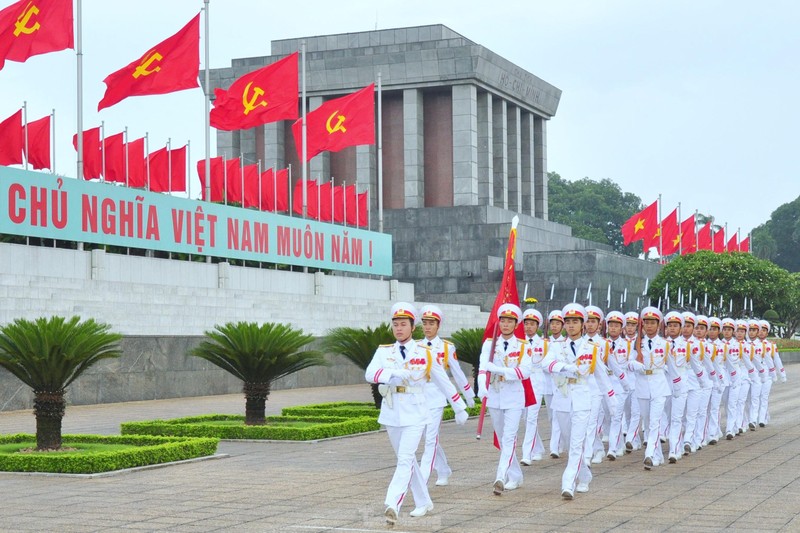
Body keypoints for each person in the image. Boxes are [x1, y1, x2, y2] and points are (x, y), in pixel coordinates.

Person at [365, 302, 469, 525]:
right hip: (392, 412)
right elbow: (370, 374)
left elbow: (444, 382)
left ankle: (392, 503)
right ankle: (424, 502)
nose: (399, 328)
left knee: (404, 459)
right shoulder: (384, 351)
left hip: (415, 413)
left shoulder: (426, 353)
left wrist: (459, 406)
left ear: (413, 327)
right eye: (395, 324)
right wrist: (395, 372)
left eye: (403, 324)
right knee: (408, 459)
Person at [543, 303, 617, 499]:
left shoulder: (591, 348)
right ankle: (584, 475)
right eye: (568, 322)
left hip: (583, 400)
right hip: (563, 399)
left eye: (575, 322)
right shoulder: (557, 346)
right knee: (568, 442)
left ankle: (568, 483)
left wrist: (613, 403)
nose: (571, 326)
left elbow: (602, 376)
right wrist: (565, 367)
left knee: (577, 444)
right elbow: (546, 364)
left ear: (583, 324)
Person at [477, 303, 533, 495]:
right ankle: (516, 475)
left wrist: (499, 370)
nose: (506, 324)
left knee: (509, 438)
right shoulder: (489, 344)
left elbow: (524, 372)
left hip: (514, 397)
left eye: (510, 321)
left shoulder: (524, 346)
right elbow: (483, 366)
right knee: (502, 439)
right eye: (503, 320)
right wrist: (481, 386)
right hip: (494, 395)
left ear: (516, 323)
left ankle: (500, 476)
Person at [417, 304, 475, 487]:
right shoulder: (416, 346)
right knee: (429, 438)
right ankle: (443, 469)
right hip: (419, 397)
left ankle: (422, 479)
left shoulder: (446, 347)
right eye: (425, 323)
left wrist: (468, 396)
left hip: (437, 396)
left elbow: (457, 373)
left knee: (430, 439)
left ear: (438, 325)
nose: (427, 327)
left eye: (431, 323)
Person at [627, 306, 670, 470]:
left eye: (653, 323)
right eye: (647, 323)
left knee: (655, 422)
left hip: (659, 385)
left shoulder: (665, 344)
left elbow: (671, 367)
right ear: (643, 325)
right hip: (642, 385)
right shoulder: (637, 344)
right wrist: (635, 365)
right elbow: (628, 363)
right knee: (647, 421)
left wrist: (678, 386)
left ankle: (649, 453)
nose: (650, 326)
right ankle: (657, 456)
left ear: (658, 325)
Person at [603, 311, 635, 460]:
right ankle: (620, 444)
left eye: (616, 326)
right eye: (611, 325)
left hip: (621, 384)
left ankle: (612, 449)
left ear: (621, 328)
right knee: (608, 417)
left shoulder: (628, 345)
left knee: (616, 416)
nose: (613, 328)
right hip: (606, 383)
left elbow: (629, 364)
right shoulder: (602, 344)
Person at [520, 308, 547, 465]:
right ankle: (538, 448)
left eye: (532, 324)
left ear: (538, 326)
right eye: (526, 324)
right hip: (522, 384)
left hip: (536, 384)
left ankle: (526, 453)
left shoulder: (544, 344)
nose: (528, 327)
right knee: (526, 418)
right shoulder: (519, 342)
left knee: (531, 418)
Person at [547, 310, 566, 458]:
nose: (554, 326)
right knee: (552, 416)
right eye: (552, 323)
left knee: (558, 416)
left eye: (557, 323)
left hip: (562, 384)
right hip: (546, 384)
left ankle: (555, 446)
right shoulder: (545, 342)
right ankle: (557, 444)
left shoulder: (566, 343)